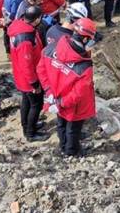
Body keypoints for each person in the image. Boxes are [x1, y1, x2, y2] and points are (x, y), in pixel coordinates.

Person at [38, 18, 97, 157]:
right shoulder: (83, 66)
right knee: (73, 128)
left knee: (61, 123)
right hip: (73, 104)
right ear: (84, 40)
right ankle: (71, 152)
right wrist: (62, 103)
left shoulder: (52, 48)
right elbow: (79, 94)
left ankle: (63, 146)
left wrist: (49, 92)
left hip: (56, 95)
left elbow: (41, 69)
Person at [9, 6, 47, 142]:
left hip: (20, 74)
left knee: (26, 101)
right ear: (37, 20)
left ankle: (27, 126)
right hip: (28, 77)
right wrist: (34, 83)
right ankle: (30, 133)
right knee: (36, 104)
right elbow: (27, 64)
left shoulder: (19, 27)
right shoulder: (25, 38)